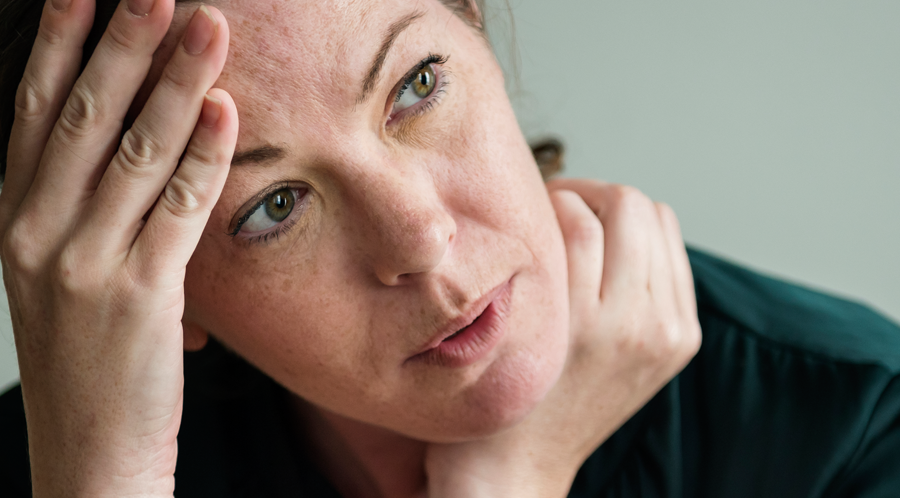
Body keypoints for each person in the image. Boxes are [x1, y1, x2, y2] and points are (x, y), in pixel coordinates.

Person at [0, 0, 897, 497]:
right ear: (159, 289)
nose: (421, 240)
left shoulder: (853, 432)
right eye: (273, 206)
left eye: (418, 86)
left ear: (477, 27)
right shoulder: (54, 471)